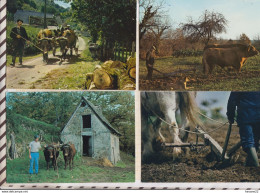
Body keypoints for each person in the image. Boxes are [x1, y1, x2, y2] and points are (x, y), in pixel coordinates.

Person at [227, 92, 260, 167]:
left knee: (248, 142)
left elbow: (232, 101)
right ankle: (249, 164)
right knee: (255, 141)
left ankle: (256, 166)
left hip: (246, 117)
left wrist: (230, 116)